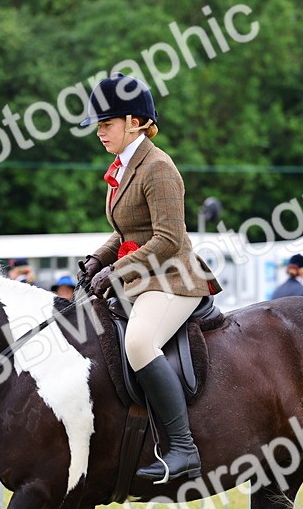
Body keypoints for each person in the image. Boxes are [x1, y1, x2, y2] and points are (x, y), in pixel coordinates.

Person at [76, 73, 221, 483]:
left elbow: (169, 239)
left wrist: (116, 269)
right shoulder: (125, 166)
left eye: (106, 124)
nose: (100, 133)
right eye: (99, 126)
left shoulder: (158, 167)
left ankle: (183, 448)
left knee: (139, 342)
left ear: (135, 122)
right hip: (144, 278)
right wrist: (98, 258)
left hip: (174, 279)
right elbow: (128, 230)